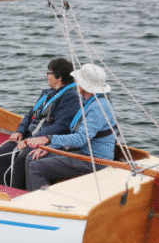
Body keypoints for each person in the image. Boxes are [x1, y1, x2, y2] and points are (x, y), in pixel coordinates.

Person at [25, 63, 117, 191]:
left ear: (84, 85)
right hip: (82, 152)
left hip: (94, 160)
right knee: (32, 157)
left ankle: (41, 204)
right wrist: (52, 147)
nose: (75, 82)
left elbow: (80, 139)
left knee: (36, 167)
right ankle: (29, 195)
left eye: (78, 80)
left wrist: (48, 139)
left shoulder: (98, 107)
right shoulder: (91, 100)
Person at [0, 58, 80, 189]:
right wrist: (20, 131)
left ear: (59, 77)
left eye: (49, 73)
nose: (47, 75)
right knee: (3, 151)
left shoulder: (71, 97)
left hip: (47, 139)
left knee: (23, 157)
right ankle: (2, 189)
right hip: (30, 134)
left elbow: (60, 126)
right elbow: (30, 115)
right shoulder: (46, 94)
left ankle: (17, 193)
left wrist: (31, 140)